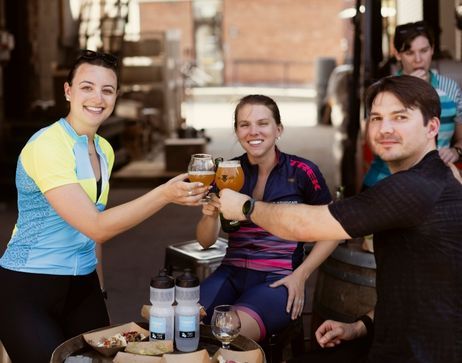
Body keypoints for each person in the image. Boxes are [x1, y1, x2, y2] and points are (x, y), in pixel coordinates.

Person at [218, 75, 462, 362]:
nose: (385, 128)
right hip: (392, 341)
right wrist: (360, 327)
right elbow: (418, 288)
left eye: (400, 117)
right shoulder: (433, 177)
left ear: (432, 126)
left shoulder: (415, 187)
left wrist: (247, 207)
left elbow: (307, 225)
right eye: (376, 118)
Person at [0, 49, 208, 363]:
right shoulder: (47, 146)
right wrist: (164, 194)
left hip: (82, 286)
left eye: (107, 90)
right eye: (87, 87)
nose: (97, 97)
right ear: (68, 91)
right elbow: (96, 225)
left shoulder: (103, 149)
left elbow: (92, 233)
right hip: (30, 287)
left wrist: (100, 291)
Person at [196, 94, 339, 342]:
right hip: (230, 273)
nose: (253, 131)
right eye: (245, 125)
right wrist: (209, 216)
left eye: (262, 123)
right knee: (183, 321)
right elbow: (206, 242)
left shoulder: (303, 171)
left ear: (278, 129)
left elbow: (333, 230)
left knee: (231, 332)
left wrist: (301, 274)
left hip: (279, 278)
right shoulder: (227, 172)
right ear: (237, 131)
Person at [363, 20, 462, 188]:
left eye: (424, 50)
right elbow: (372, 142)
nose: (418, 59)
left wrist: (455, 151)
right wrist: (408, 88)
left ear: (432, 49)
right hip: (386, 181)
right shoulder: (382, 90)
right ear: (397, 54)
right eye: (409, 52)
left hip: (436, 182)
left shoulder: (450, 88)